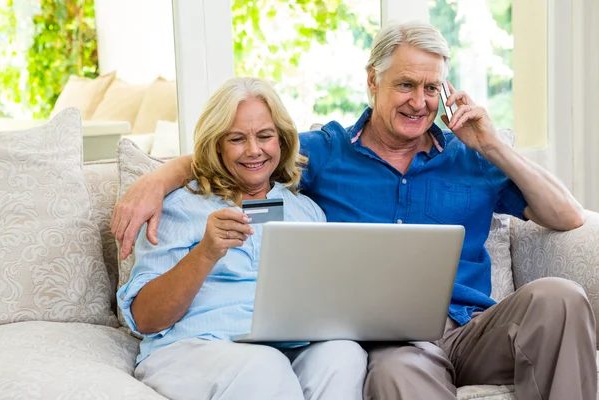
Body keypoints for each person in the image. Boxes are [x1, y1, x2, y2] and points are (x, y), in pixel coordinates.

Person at [112, 22, 597, 400]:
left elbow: (569, 216)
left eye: (432, 88)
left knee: (560, 296)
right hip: (397, 344)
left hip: (471, 327)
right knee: (390, 369)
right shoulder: (327, 152)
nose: (419, 101)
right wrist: (161, 176)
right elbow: (249, 151)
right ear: (373, 82)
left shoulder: (472, 156)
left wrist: (493, 145)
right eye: (406, 84)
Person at [116, 77, 367, 400]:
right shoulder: (179, 207)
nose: (254, 150)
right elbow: (146, 319)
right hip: (195, 348)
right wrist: (205, 253)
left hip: (285, 346)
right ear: (217, 143)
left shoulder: (306, 211)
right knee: (265, 366)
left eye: (265, 136)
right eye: (237, 138)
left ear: (282, 141)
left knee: (343, 354)